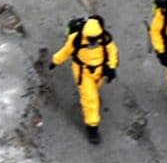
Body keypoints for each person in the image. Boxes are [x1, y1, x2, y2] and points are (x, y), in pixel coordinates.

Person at [48, 15, 119, 144]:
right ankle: (92, 127)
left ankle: (93, 102)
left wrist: (111, 67)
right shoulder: (76, 39)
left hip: (99, 71)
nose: (93, 41)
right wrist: (55, 61)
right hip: (84, 72)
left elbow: (112, 52)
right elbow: (66, 51)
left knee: (94, 91)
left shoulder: (105, 38)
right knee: (90, 99)